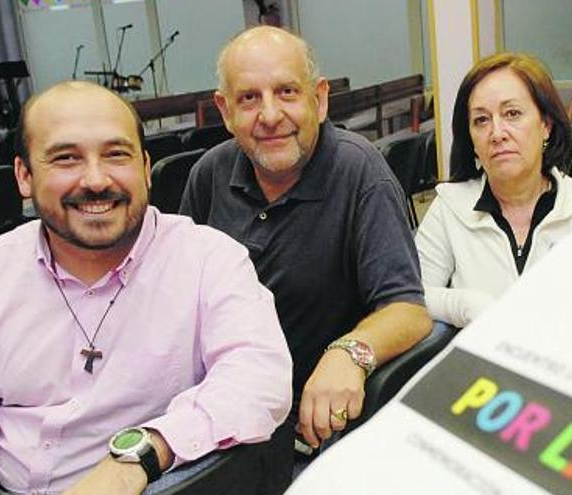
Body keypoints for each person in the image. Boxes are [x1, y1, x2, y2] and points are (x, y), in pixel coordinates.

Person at [0, 81, 292, 494]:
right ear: (24, 175)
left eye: (116, 154)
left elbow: (258, 380)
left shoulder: (206, 260)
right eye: (66, 158)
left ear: (145, 168)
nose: (95, 179)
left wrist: (140, 455)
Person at [179, 26, 431, 454]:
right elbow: (179, 300)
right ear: (224, 110)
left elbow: (408, 311)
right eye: (249, 98)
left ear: (320, 98)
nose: (271, 115)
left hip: (308, 434)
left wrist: (348, 353)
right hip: (217, 421)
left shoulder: (358, 172)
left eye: (287, 92)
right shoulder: (210, 174)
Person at [415, 52, 572, 328]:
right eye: (481, 120)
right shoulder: (450, 208)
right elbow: (411, 298)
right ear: (471, 140)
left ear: (546, 125)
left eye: (512, 114)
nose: (497, 133)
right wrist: (467, 305)